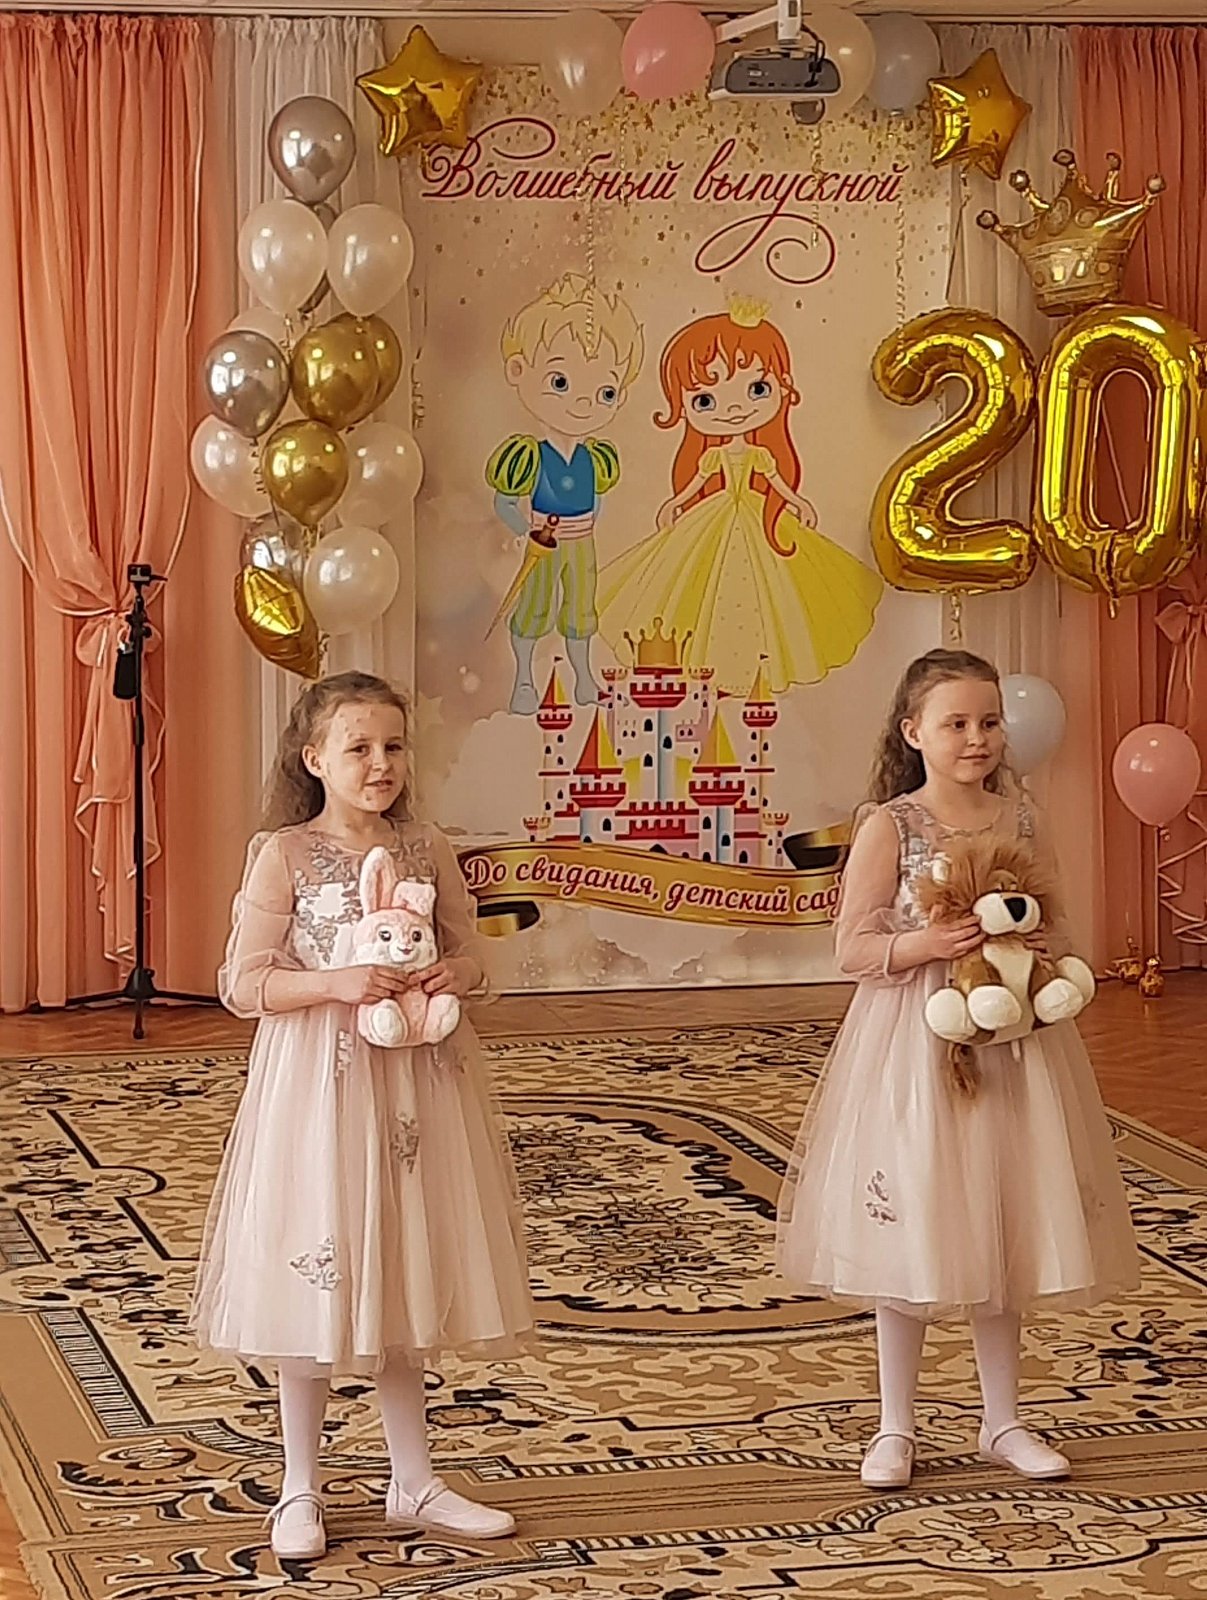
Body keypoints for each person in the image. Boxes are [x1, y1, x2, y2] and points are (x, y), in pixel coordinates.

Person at [777, 649, 1139, 1489]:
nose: (976, 738)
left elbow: (1060, 923)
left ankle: (1001, 1419)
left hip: (1012, 1040)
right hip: (915, 1045)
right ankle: (894, 1426)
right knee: (917, 1219)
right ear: (913, 733)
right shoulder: (891, 825)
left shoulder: (1022, 819)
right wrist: (926, 944)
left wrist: (1043, 945)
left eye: (988, 722)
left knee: (1004, 1218)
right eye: (956, 724)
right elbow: (851, 948)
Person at [192, 672, 534, 1559]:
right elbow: (244, 983)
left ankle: (413, 1479)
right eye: (358, 748)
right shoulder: (285, 853)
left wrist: (456, 974)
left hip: (419, 1086)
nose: (380, 764)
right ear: (314, 759)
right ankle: (299, 1487)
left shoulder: (425, 847)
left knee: (403, 1257)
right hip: (319, 1087)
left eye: (392, 746)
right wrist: (335, 982)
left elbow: (472, 956)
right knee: (320, 1263)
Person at [596, 299, 882, 697]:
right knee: (705, 590)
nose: (733, 408)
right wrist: (675, 503)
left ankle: (752, 669)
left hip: (754, 515)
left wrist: (797, 503)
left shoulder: (760, 454)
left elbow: (778, 484)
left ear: (782, 387)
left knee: (764, 592)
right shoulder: (713, 455)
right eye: (705, 400)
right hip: (714, 516)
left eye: (756, 389)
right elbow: (696, 482)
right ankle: (715, 671)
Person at [487, 272, 644, 714]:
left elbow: (599, 497)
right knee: (534, 607)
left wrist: (590, 522)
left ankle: (584, 678)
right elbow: (504, 501)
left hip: (582, 543)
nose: (583, 403)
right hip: (543, 541)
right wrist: (525, 530)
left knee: (580, 609)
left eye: (605, 391)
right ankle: (524, 680)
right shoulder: (528, 456)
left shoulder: (596, 457)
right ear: (519, 372)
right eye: (560, 382)